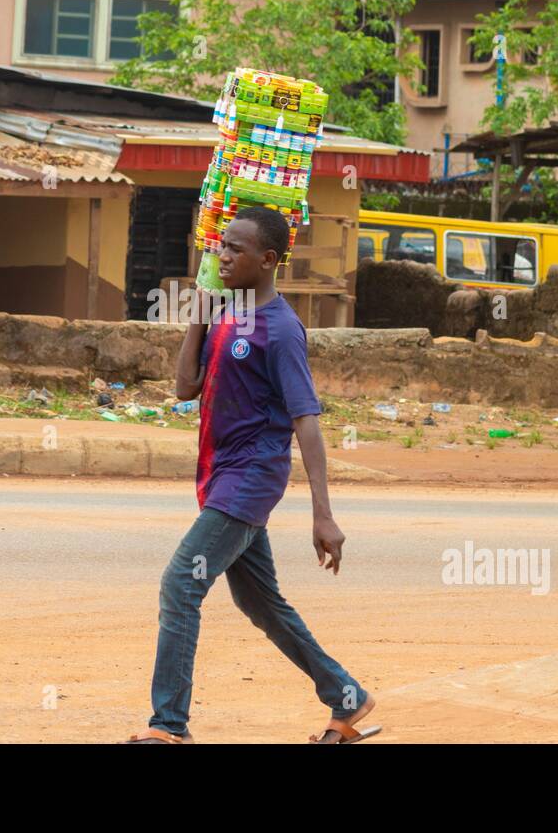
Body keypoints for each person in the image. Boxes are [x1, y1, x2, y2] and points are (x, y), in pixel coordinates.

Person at [124, 206, 379, 744]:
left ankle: (168, 726)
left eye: (235, 249)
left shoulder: (283, 331)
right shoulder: (229, 313)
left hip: (251, 479)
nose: (222, 256)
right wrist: (199, 311)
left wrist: (324, 514)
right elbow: (184, 388)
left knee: (180, 583)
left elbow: (306, 420)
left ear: (268, 260)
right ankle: (347, 697)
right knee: (259, 601)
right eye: (220, 246)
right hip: (221, 475)